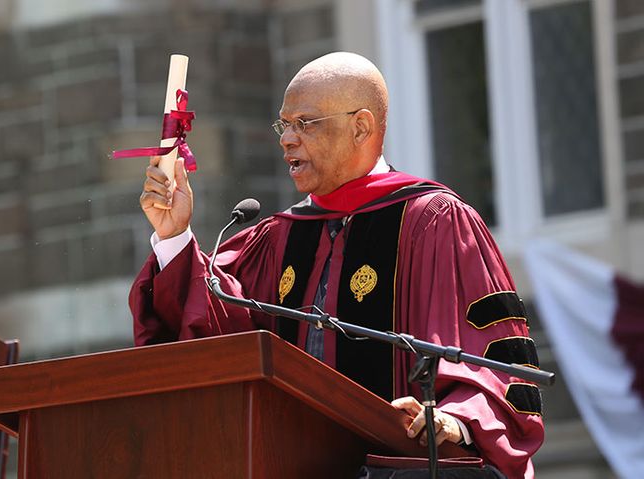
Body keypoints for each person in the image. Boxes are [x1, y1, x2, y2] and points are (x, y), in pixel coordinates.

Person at [130, 52, 543, 478]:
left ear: (360, 126)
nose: (286, 139)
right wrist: (174, 236)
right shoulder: (280, 236)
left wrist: (455, 419)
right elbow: (216, 331)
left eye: (304, 124)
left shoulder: (434, 221)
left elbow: (492, 355)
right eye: (283, 124)